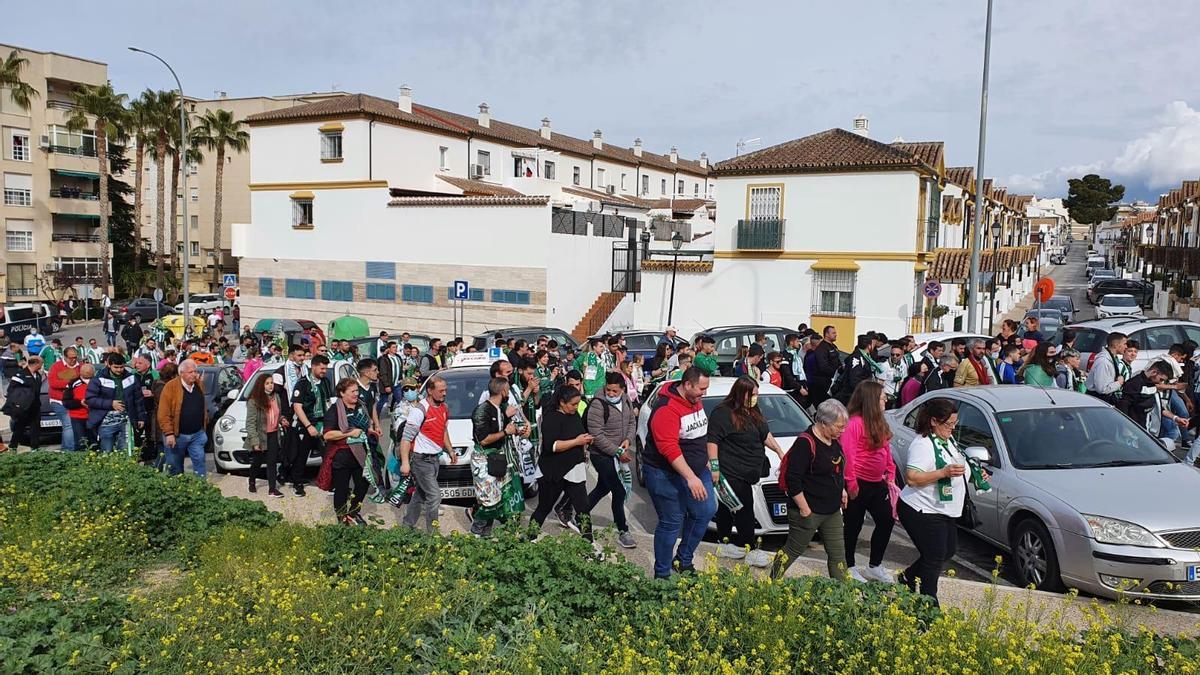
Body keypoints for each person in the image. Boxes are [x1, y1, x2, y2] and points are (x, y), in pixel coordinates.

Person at [897, 398, 973, 605]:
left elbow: (958, 466)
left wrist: (974, 474)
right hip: (922, 508)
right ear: (934, 421)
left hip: (944, 508)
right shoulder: (923, 445)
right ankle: (929, 604)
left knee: (948, 550)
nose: (952, 428)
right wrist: (943, 472)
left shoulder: (947, 440)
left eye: (955, 424)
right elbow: (912, 478)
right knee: (934, 556)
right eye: (948, 424)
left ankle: (908, 577)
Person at [642, 367, 716, 578]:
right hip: (665, 473)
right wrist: (690, 477)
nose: (704, 393)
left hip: (697, 469)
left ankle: (683, 559)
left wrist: (707, 461)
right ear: (687, 385)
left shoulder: (694, 400)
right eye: (702, 389)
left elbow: (699, 433)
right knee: (672, 521)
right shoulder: (666, 409)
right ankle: (662, 574)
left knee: (705, 511)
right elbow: (669, 448)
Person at [708, 376, 785, 567]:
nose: (755, 398)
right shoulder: (723, 413)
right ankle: (748, 547)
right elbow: (713, 441)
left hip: (751, 469)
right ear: (741, 394)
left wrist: (779, 451)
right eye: (752, 395)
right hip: (731, 469)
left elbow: (764, 433)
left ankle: (725, 541)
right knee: (744, 509)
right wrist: (715, 468)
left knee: (727, 508)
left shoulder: (753, 411)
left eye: (757, 395)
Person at [770, 399, 849, 580]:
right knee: (793, 549)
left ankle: (843, 595)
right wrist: (804, 508)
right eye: (838, 426)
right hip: (808, 510)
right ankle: (772, 581)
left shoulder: (833, 440)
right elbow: (793, 479)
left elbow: (835, 469)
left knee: (838, 555)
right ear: (823, 423)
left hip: (831, 510)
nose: (842, 430)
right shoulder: (805, 443)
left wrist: (842, 489)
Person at [841, 381, 897, 583]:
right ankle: (848, 565)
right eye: (883, 397)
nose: (886, 401)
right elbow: (848, 454)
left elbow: (886, 449)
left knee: (886, 519)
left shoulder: (879, 421)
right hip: (859, 482)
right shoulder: (854, 423)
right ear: (873, 400)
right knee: (853, 526)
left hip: (877, 482)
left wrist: (890, 470)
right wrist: (851, 483)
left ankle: (874, 565)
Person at [530, 385, 594, 541]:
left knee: (583, 509)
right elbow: (552, 446)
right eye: (573, 404)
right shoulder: (551, 418)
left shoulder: (574, 416)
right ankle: (529, 537)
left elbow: (578, 434)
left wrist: (585, 442)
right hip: (553, 471)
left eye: (577, 404)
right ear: (562, 402)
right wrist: (576, 441)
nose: (576, 407)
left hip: (574, 469)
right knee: (544, 507)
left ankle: (588, 543)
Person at [584, 373, 638, 549]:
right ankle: (623, 530)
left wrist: (628, 440)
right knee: (619, 491)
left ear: (622, 390)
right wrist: (617, 452)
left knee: (602, 487)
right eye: (609, 390)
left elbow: (631, 422)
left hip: (619, 451)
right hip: (601, 455)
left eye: (615, 391)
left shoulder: (626, 400)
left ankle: (579, 513)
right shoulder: (598, 405)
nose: (611, 393)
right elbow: (596, 435)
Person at [467, 377, 526, 537]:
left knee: (498, 499)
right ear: (503, 391)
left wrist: (515, 428)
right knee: (488, 501)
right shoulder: (482, 411)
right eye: (508, 390)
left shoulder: (500, 409)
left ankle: (486, 535)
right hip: (483, 460)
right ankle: (475, 532)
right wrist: (507, 432)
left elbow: (503, 429)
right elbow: (484, 439)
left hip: (497, 458)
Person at [399, 375, 459, 532]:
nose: (444, 393)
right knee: (434, 496)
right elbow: (406, 438)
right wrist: (405, 463)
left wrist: (450, 450)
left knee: (420, 494)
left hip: (434, 460)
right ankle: (433, 534)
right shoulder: (420, 410)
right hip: (421, 460)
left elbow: (443, 431)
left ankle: (407, 526)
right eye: (441, 391)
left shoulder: (444, 408)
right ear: (430, 391)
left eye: (445, 390)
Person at [320, 378, 371, 525]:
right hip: (341, 456)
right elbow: (327, 435)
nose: (357, 394)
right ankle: (341, 518)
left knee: (364, 482)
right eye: (353, 391)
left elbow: (365, 423)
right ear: (342, 393)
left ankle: (354, 513)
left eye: (357, 390)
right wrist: (348, 434)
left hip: (360, 454)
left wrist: (371, 430)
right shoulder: (334, 411)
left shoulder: (361, 406)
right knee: (341, 489)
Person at [84, 353, 146, 454]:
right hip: (106, 422)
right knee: (107, 452)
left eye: (121, 367)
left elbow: (138, 399)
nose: (119, 370)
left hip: (127, 421)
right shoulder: (98, 379)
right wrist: (110, 404)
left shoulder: (131, 378)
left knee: (127, 451)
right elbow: (90, 399)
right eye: (116, 367)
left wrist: (141, 417)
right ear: (109, 365)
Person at [157, 359, 208, 477]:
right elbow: (163, 413)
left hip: (197, 434)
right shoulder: (171, 387)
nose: (194, 374)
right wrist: (169, 433)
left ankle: (201, 489)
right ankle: (177, 492)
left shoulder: (198, 384)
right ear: (182, 373)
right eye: (190, 372)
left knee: (200, 463)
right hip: (177, 435)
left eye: (195, 371)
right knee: (175, 467)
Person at [289, 354, 331, 497]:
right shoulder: (303, 383)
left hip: (322, 424)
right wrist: (308, 426)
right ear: (313, 367)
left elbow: (328, 401)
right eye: (322, 368)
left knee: (328, 455)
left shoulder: (325, 382)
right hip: (306, 424)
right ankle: (297, 483)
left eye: (326, 368)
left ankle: (329, 483)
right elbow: (297, 407)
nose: (324, 371)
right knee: (301, 456)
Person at [244, 372, 288, 496]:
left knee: (272, 462)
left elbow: (276, 414)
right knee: (257, 462)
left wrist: (282, 419)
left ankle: (272, 489)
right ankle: (252, 480)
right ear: (261, 385)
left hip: (273, 434)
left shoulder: (276, 397)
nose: (270, 386)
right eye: (267, 383)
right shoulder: (254, 401)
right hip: (260, 435)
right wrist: (255, 441)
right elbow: (250, 423)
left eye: (272, 383)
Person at [1118, 361, 1175, 430]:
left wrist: (1175, 418)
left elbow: (1158, 407)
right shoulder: (1134, 384)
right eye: (1161, 379)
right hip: (1131, 430)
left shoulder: (1152, 385)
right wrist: (1125, 427)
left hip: (1145, 429)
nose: (1161, 383)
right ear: (1154, 372)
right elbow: (1123, 407)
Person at [4, 355, 43, 451]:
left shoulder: (38, 375)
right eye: (41, 363)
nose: (42, 365)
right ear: (36, 363)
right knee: (19, 427)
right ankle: (13, 446)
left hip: (35, 406)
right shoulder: (19, 375)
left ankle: (35, 447)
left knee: (35, 427)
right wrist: (16, 404)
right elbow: (11, 391)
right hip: (23, 407)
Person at [47, 346, 82, 451]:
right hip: (58, 401)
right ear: (65, 357)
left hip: (74, 401)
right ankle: (70, 450)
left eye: (75, 357)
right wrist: (70, 383)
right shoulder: (56, 367)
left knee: (69, 426)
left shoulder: (80, 366)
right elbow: (53, 383)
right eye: (71, 358)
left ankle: (65, 448)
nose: (73, 360)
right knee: (69, 424)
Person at [1085, 331, 1128, 403]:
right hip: (1097, 401)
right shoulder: (1103, 362)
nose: (1126, 347)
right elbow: (1102, 389)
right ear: (1116, 345)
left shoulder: (1111, 358)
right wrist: (1119, 383)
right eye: (1124, 344)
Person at [63, 362, 95, 450]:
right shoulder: (73, 383)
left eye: (90, 372)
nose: (88, 373)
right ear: (80, 372)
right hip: (78, 417)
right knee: (81, 442)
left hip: (94, 416)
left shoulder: (97, 381)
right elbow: (66, 402)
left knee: (94, 442)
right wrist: (80, 403)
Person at [881, 343, 907, 407]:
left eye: (897, 355)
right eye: (892, 354)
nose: (894, 356)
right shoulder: (884, 365)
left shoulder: (903, 365)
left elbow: (904, 380)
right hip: (887, 397)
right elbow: (880, 383)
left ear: (902, 354)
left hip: (898, 397)